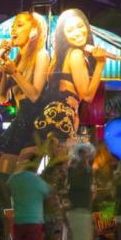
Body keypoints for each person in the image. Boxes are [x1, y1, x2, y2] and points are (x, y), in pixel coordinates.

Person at [34, 9, 108, 142]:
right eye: (70, 30)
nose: (77, 32)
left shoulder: (58, 58)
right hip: (62, 116)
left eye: (80, 26)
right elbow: (87, 96)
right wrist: (101, 64)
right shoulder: (76, 54)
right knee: (61, 160)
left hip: (48, 114)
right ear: (64, 35)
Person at [0, 12, 50, 172]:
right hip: (20, 120)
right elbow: (3, 98)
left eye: (19, 25)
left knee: (8, 175)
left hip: (33, 124)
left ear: (33, 31)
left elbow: (35, 95)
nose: (13, 30)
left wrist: (15, 72)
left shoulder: (41, 55)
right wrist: (3, 66)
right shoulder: (17, 60)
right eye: (12, 26)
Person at [7, 151, 51, 240]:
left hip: (18, 220)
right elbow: (49, 196)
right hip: (35, 221)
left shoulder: (14, 179)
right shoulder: (38, 181)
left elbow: (7, 189)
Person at [65, 142, 95, 240]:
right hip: (75, 208)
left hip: (83, 209)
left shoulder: (89, 170)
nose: (85, 157)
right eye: (83, 154)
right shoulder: (72, 169)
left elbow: (90, 190)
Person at [38, 155, 66, 240]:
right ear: (49, 175)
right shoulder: (50, 188)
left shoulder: (41, 186)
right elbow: (54, 206)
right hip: (53, 221)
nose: (57, 176)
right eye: (55, 174)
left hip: (43, 220)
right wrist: (62, 207)